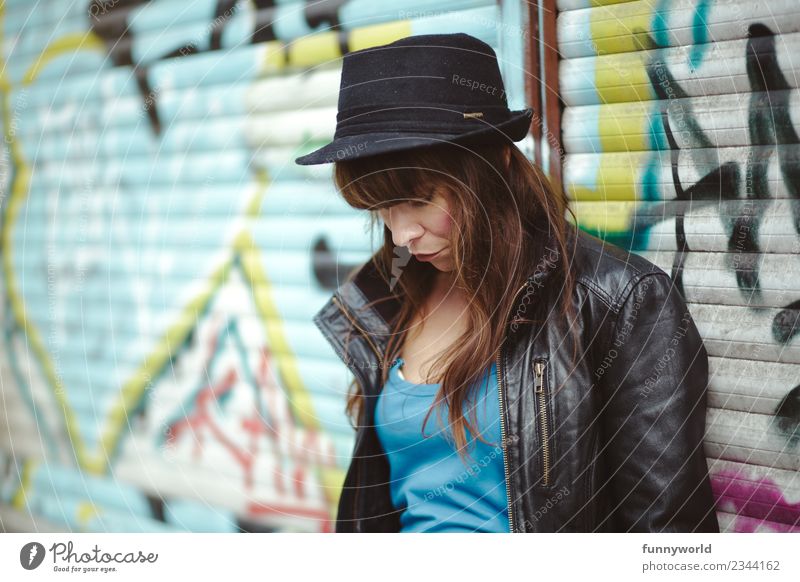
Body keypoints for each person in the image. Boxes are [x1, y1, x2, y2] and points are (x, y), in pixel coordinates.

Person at [296, 33, 719, 533]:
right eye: (383, 208)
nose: (402, 234)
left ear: (492, 166)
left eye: (420, 199)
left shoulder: (616, 300)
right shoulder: (388, 298)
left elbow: (667, 530)